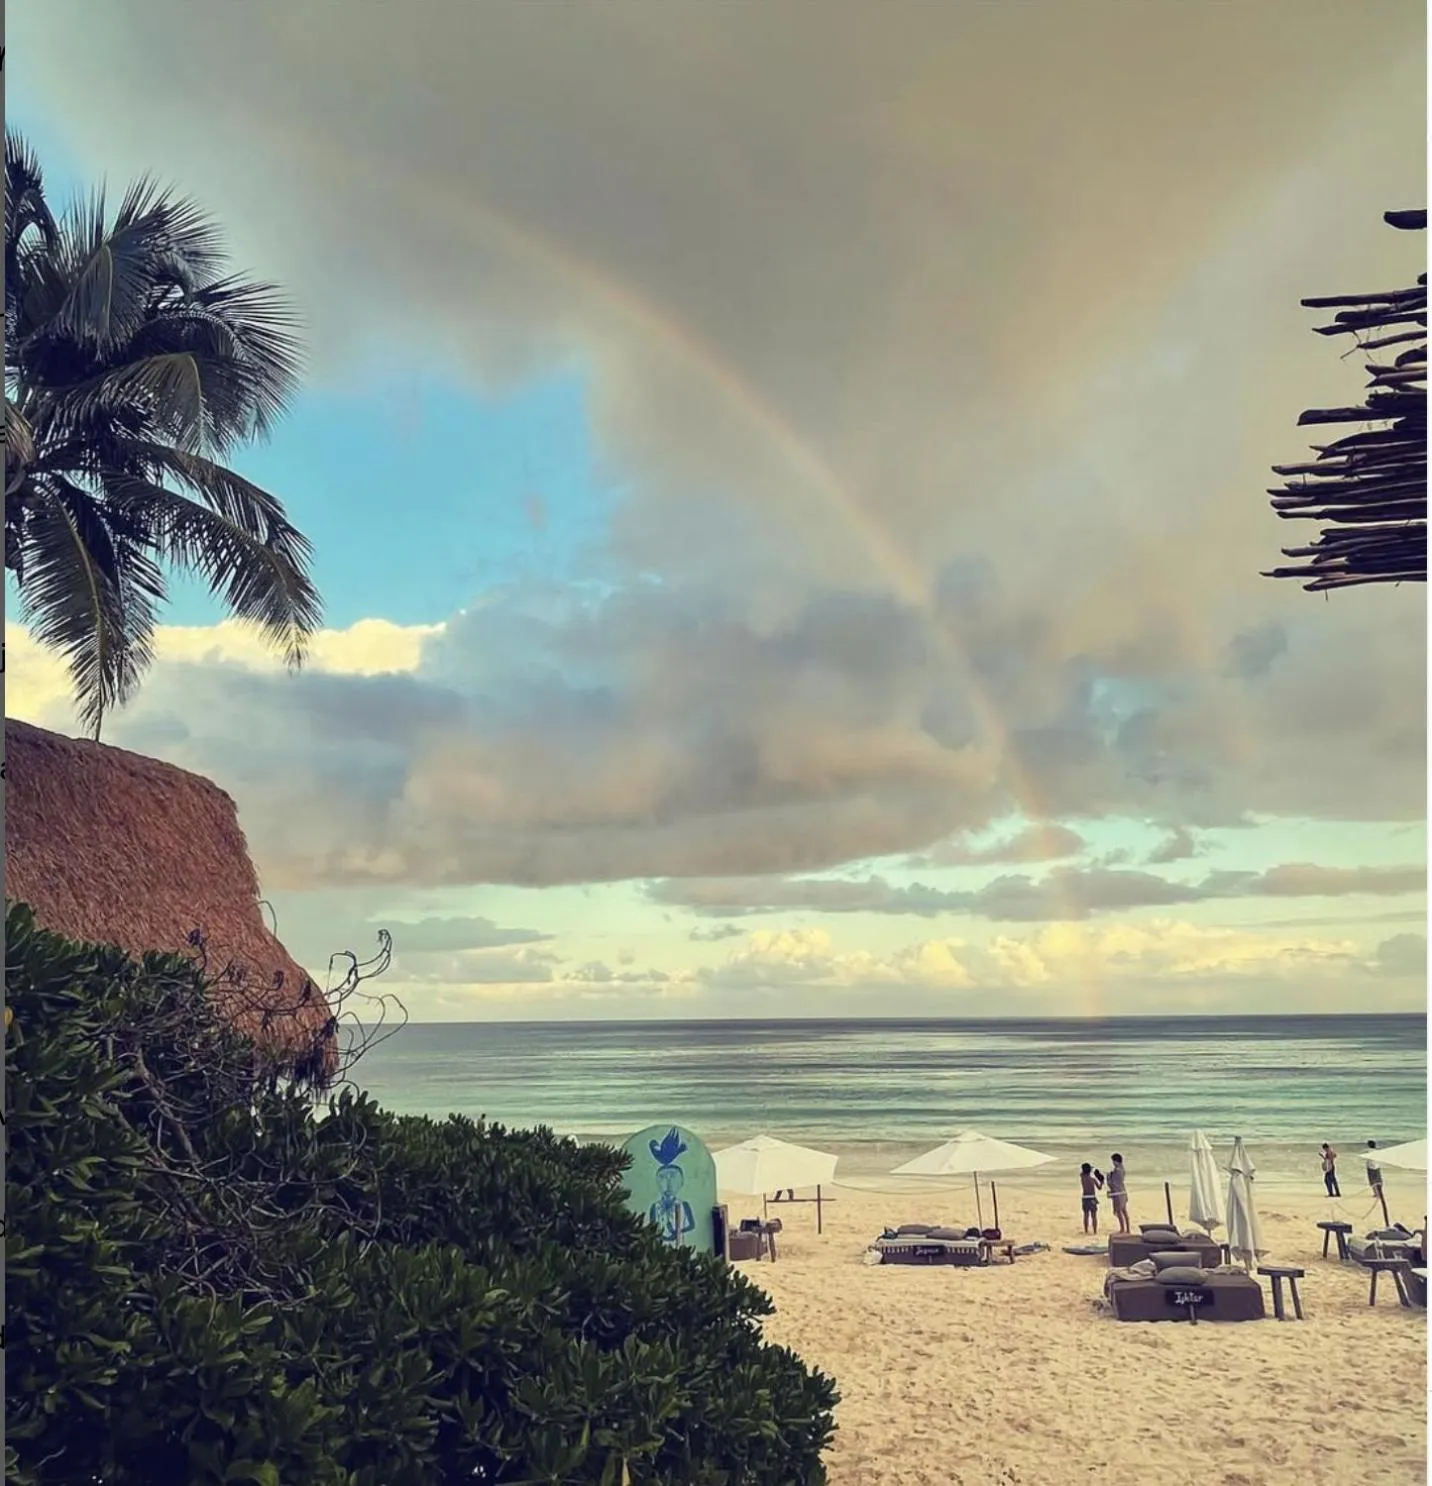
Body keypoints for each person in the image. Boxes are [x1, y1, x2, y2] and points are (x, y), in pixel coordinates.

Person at [1106, 1153, 1130, 1233]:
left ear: (1116, 1161)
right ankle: (1127, 1229)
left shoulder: (1117, 1171)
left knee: (1119, 1212)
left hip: (1117, 1193)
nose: (1112, 1163)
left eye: (1113, 1161)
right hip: (1123, 1191)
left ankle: (1122, 1229)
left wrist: (1108, 1177)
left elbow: (1112, 1183)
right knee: (1124, 1211)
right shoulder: (1122, 1169)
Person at [1079, 1162, 1105, 1235]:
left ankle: (1086, 1230)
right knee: (1094, 1216)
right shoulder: (1093, 1179)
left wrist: (1090, 1170)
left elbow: (1082, 1173)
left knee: (1086, 1215)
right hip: (1092, 1198)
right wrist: (1101, 1181)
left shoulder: (1082, 1178)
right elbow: (1099, 1188)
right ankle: (1095, 1231)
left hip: (1085, 1198)